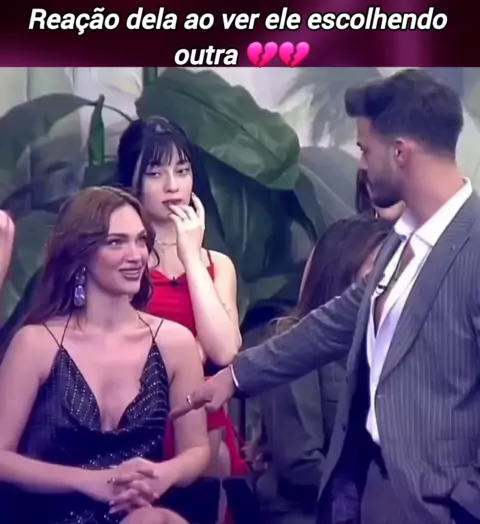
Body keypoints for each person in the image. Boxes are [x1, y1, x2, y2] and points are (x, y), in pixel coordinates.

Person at [172, 68, 480, 524]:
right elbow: (332, 322)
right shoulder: (400, 242)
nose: (360, 165)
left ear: (400, 152)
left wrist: (463, 500)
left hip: (439, 506)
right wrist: (234, 377)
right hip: (367, 495)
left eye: (365, 150)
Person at [0, 186, 210, 524]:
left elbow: (197, 449)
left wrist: (164, 474)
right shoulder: (36, 343)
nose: (136, 255)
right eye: (116, 242)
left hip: (136, 512)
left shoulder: (175, 342)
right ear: (81, 253)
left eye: (141, 240)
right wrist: (88, 481)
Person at [115, 117, 246, 520]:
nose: (173, 185)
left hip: (204, 425)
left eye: (183, 170)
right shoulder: (121, 261)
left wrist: (190, 255)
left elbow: (224, 350)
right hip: (133, 421)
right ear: (133, 181)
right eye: (156, 173)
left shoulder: (217, 265)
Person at [254, 216, 391, 524]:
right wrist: (379, 502)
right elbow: (299, 462)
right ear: (341, 273)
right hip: (308, 510)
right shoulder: (293, 341)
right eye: (375, 273)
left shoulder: (392, 343)